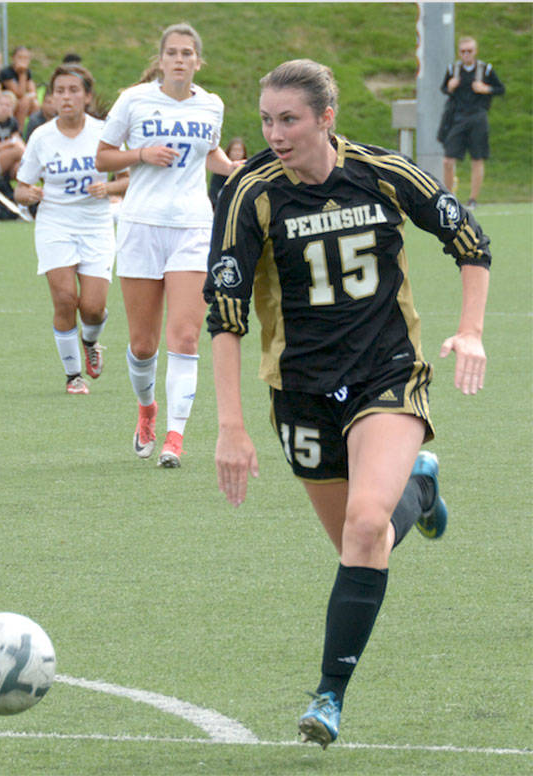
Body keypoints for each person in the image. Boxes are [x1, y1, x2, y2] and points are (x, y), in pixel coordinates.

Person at [206, 58, 489, 750]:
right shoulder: (250, 193)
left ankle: (329, 695)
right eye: (267, 119)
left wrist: (471, 330)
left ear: (326, 118)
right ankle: (420, 488)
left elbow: (469, 240)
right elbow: (225, 311)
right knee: (363, 544)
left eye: (290, 119)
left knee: (365, 529)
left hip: (386, 376)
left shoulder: (384, 173)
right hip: (300, 392)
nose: (275, 133)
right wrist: (231, 425)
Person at [95, 22, 240, 467]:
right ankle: (147, 411)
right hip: (141, 226)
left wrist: (236, 169)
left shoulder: (211, 105)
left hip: (194, 227)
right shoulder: (134, 100)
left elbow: (209, 154)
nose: (180, 60)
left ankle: (175, 436)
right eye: (172, 53)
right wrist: (141, 154)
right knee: (143, 345)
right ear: (161, 60)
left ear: (198, 61)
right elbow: (102, 157)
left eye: (187, 54)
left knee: (185, 336)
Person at [15, 65, 119, 395]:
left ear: (87, 96)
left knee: (92, 307)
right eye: (59, 90)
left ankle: (90, 341)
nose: (66, 96)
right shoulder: (42, 137)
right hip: (55, 224)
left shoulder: (105, 133)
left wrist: (111, 189)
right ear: (51, 97)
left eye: (74, 90)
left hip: (96, 226)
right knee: (64, 299)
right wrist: (28, 194)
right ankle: (73, 375)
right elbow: (21, 187)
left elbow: (133, 178)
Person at [438, 36, 504, 210]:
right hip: (458, 117)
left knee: (477, 158)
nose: (466, 54)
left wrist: (486, 88)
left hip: (478, 117)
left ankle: (473, 199)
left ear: (475, 51)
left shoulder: (486, 70)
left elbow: (500, 89)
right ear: (459, 52)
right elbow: (444, 88)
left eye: (469, 51)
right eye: (463, 51)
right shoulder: (453, 69)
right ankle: (450, 197)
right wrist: (450, 87)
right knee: (447, 160)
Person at [1, 46, 38, 129]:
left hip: (21, 101)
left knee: (35, 104)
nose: (23, 61)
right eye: (20, 57)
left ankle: (34, 131)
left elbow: (33, 92)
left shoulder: (27, 72)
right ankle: (19, 131)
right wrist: (22, 74)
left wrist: (28, 97)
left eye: (26, 58)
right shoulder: (7, 72)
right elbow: (19, 93)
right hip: (8, 101)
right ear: (13, 58)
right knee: (24, 103)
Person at [207, 136, 248, 205]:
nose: (237, 153)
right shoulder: (220, 170)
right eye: (235, 150)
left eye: (240, 150)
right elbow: (213, 193)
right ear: (229, 151)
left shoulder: (247, 170)